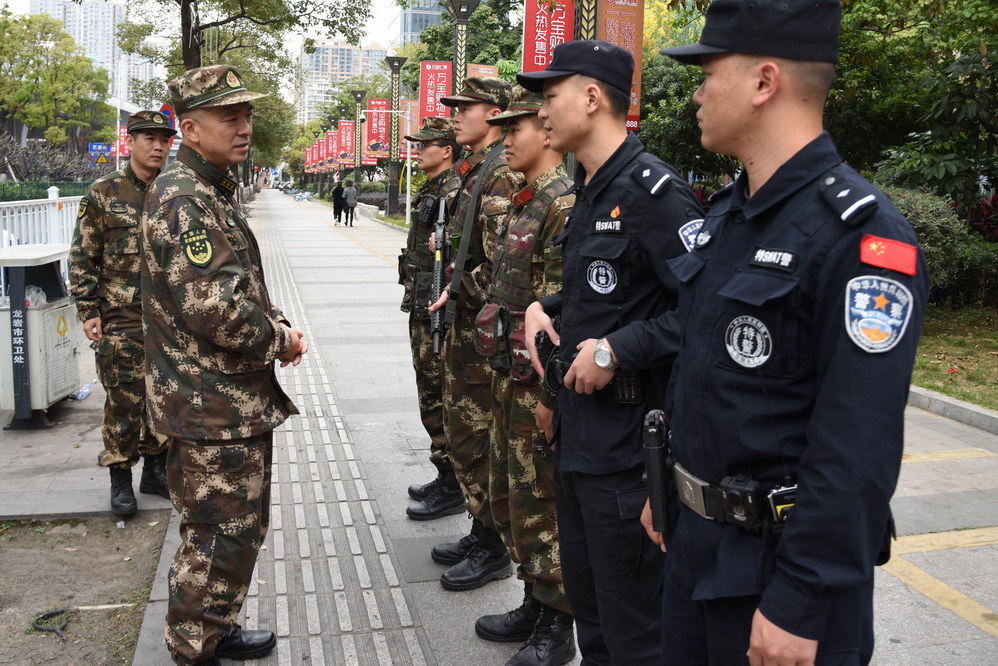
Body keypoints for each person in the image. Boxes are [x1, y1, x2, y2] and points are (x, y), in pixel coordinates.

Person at [652, 2, 929, 663]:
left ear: (763, 82)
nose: (696, 92)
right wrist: (670, 490)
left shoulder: (862, 237)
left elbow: (855, 448)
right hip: (695, 552)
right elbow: (704, 374)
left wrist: (801, 600)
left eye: (707, 73)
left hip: (777, 582)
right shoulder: (731, 217)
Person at [519, 41, 704, 664]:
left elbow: (704, 311)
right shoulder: (589, 190)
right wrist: (549, 306)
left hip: (629, 454)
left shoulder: (656, 193)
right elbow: (608, 296)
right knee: (592, 618)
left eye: (550, 97)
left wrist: (619, 350)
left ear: (592, 98)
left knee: (635, 634)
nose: (541, 112)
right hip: (579, 442)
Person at [141, 65, 308, 666]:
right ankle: (195, 649)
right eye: (228, 117)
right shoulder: (186, 197)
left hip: (220, 398)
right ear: (190, 127)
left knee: (232, 531)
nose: (244, 127)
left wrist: (274, 317)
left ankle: (217, 623)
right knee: (216, 536)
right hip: (210, 403)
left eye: (247, 115)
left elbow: (234, 284)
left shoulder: (207, 187)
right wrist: (280, 338)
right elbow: (218, 308)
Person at [473, 86, 576, 666]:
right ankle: (535, 597)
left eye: (515, 129)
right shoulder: (526, 196)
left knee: (541, 497)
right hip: (508, 372)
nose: (504, 139)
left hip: (536, 382)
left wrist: (548, 394)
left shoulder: (562, 203)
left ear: (544, 130)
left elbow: (563, 314)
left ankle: (558, 623)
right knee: (512, 492)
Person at [426, 77, 520, 591]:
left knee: (478, 434)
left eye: (467, 107)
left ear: (496, 112)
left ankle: (492, 545)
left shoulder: (501, 172)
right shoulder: (476, 169)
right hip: (464, 321)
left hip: (482, 328)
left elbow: (505, 259)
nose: (456, 115)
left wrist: (460, 288)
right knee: (465, 432)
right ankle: (481, 529)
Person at [69, 109, 176, 517]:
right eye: (148, 138)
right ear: (130, 142)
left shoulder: (174, 192)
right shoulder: (104, 192)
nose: (157, 145)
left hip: (168, 320)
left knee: (162, 396)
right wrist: (87, 308)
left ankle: (154, 471)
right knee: (124, 399)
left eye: (164, 139)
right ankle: (120, 479)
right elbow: (82, 255)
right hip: (122, 316)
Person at [399, 117, 464, 520]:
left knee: (437, 393)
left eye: (426, 144)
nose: (418, 150)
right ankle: (446, 474)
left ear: (447, 150)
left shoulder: (453, 190)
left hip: (436, 307)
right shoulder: (435, 188)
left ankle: (453, 482)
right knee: (429, 392)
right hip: (422, 300)